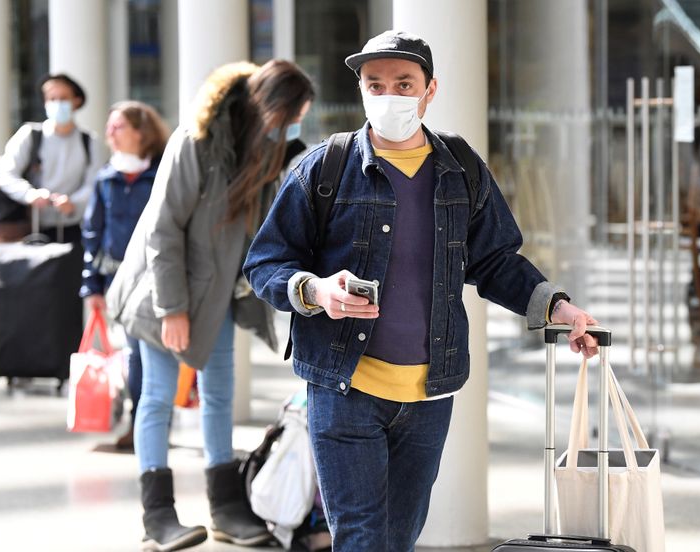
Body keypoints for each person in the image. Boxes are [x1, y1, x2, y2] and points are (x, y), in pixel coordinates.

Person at [243, 30, 600, 551]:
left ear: (430, 90)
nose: (389, 96)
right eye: (375, 84)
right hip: (344, 388)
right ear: (362, 89)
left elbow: (495, 259)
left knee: (399, 538)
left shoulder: (460, 169)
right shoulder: (325, 167)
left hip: (429, 395)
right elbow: (265, 262)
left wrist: (558, 307)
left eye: (404, 83)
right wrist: (316, 290)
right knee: (362, 539)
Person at [106, 60, 315, 551]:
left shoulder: (267, 153)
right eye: (291, 116)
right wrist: (172, 309)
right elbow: (162, 230)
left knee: (220, 393)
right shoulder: (195, 142)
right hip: (162, 292)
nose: (293, 127)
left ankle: (224, 509)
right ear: (268, 105)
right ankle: (157, 517)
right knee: (157, 397)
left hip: (216, 296)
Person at [81, 100, 170, 450]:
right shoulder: (106, 178)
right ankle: (141, 424)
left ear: (141, 131)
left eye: (118, 127)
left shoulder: (162, 172)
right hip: (119, 282)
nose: (110, 134)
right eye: (109, 127)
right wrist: (92, 286)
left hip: (158, 276)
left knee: (156, 353)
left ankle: (154, 423)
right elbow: (93, 234)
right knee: (135, 355)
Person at [0, 73, 101, 246]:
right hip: (28, 229)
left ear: (76, 101)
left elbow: (94, 183)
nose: (57, 104)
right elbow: (6, 174)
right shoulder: (29, 135)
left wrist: (73, 203)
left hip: (73, 229)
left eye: (63, 98)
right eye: (51, 99)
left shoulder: (90, 141)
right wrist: (29, 194)